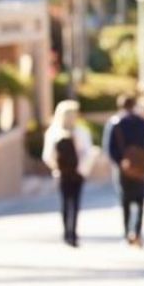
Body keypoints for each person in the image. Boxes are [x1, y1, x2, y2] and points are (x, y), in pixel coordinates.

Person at [42, 100, 94, 247]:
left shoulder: (58, 133)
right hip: (72, 173)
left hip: (66, 173)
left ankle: (69, 233)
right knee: (72, 203)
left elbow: (48, 156)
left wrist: (57, 168)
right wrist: (80, 170)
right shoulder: (62, 133)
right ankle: (70, 233)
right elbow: (88, 153)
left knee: (67, 202)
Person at [107, 95, 144, 248]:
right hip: (141, 167)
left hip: (124, 168)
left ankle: (126, 233)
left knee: (125, 201)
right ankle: (137, 232)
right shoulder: (142, 122)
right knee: (140, 201)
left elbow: (109, 148)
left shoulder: (116, 123)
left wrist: (120, 162)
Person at [101, 95, 130, 201]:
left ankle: (126, 216)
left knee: (123, 194)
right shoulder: (141, 121)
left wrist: (117, 162)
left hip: (121, 163)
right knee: (139, 195)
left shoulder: (114, 122)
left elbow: (108, 146)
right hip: (138, 164)